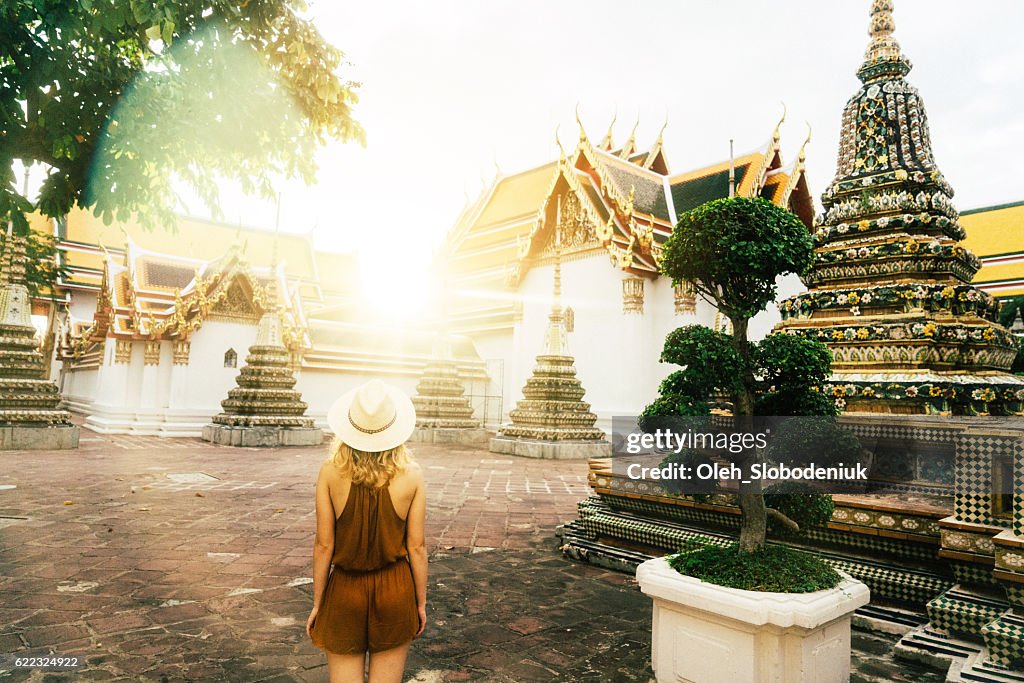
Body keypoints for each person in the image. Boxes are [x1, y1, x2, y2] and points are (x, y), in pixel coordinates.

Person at [307, 379, 427, 682]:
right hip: (396, 590)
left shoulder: (330, 472)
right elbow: (417, 548)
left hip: (345, 591)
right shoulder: (412, 476)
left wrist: (319, 603)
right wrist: (420, 602)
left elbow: (324, 545)